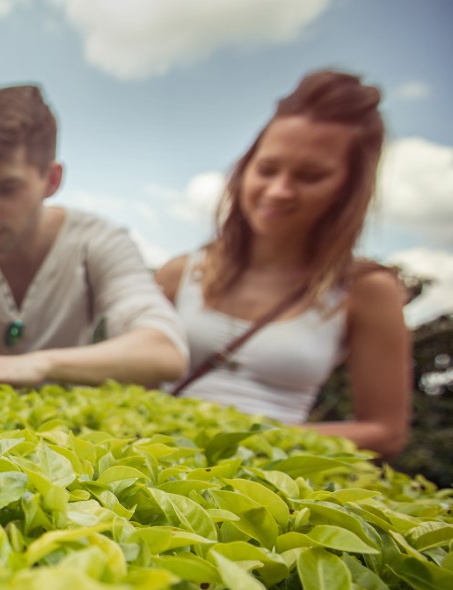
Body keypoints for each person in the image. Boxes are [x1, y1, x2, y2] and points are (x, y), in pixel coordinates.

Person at [155, 69, 411, 458]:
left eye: (310, 176)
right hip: (158, 456)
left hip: (271, 476)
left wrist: (263, 438)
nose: (278, 191)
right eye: (267, 169)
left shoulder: (366, 290)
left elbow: (386, 432)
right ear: (244, 169)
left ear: (348, 187)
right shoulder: (180, 273)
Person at [0, 85, 188, 388]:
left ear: (52, 180)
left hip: (67, 432)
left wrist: (40, 364)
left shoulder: (98, 241)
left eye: (8, 189)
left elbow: (166, 350)